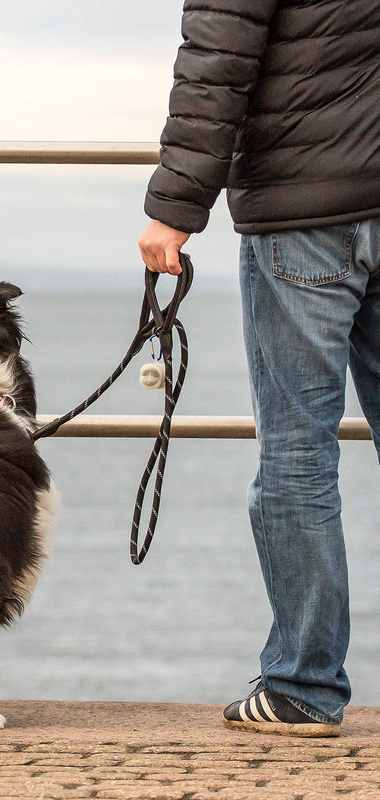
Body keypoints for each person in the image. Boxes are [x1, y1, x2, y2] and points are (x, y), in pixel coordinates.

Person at [138, 0, 380, 737]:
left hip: (305, 207)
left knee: (297, 459)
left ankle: (303, 686)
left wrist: (175, 207)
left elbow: (219, 56)